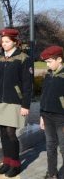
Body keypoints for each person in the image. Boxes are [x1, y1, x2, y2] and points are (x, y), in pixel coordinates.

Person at [0, 28, 33, 177]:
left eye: (7, 41)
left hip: (15, 101)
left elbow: (27, 84)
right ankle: (6, 163)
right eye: (2, 41)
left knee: (10, 133)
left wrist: (26, 104)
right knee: (2, 133)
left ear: (15, 42)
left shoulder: (24, 58)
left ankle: (15, 164)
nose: (4, 44)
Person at [39, 45, 64, 179]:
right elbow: (43, 96)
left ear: (59, 59)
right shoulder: (48, 74)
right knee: (50, 146)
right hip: (47, 116)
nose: (47, 65)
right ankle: (52, 173)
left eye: (49, 61)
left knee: (63, 147)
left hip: (61, 118)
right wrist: (41, 116)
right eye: (46, 62)